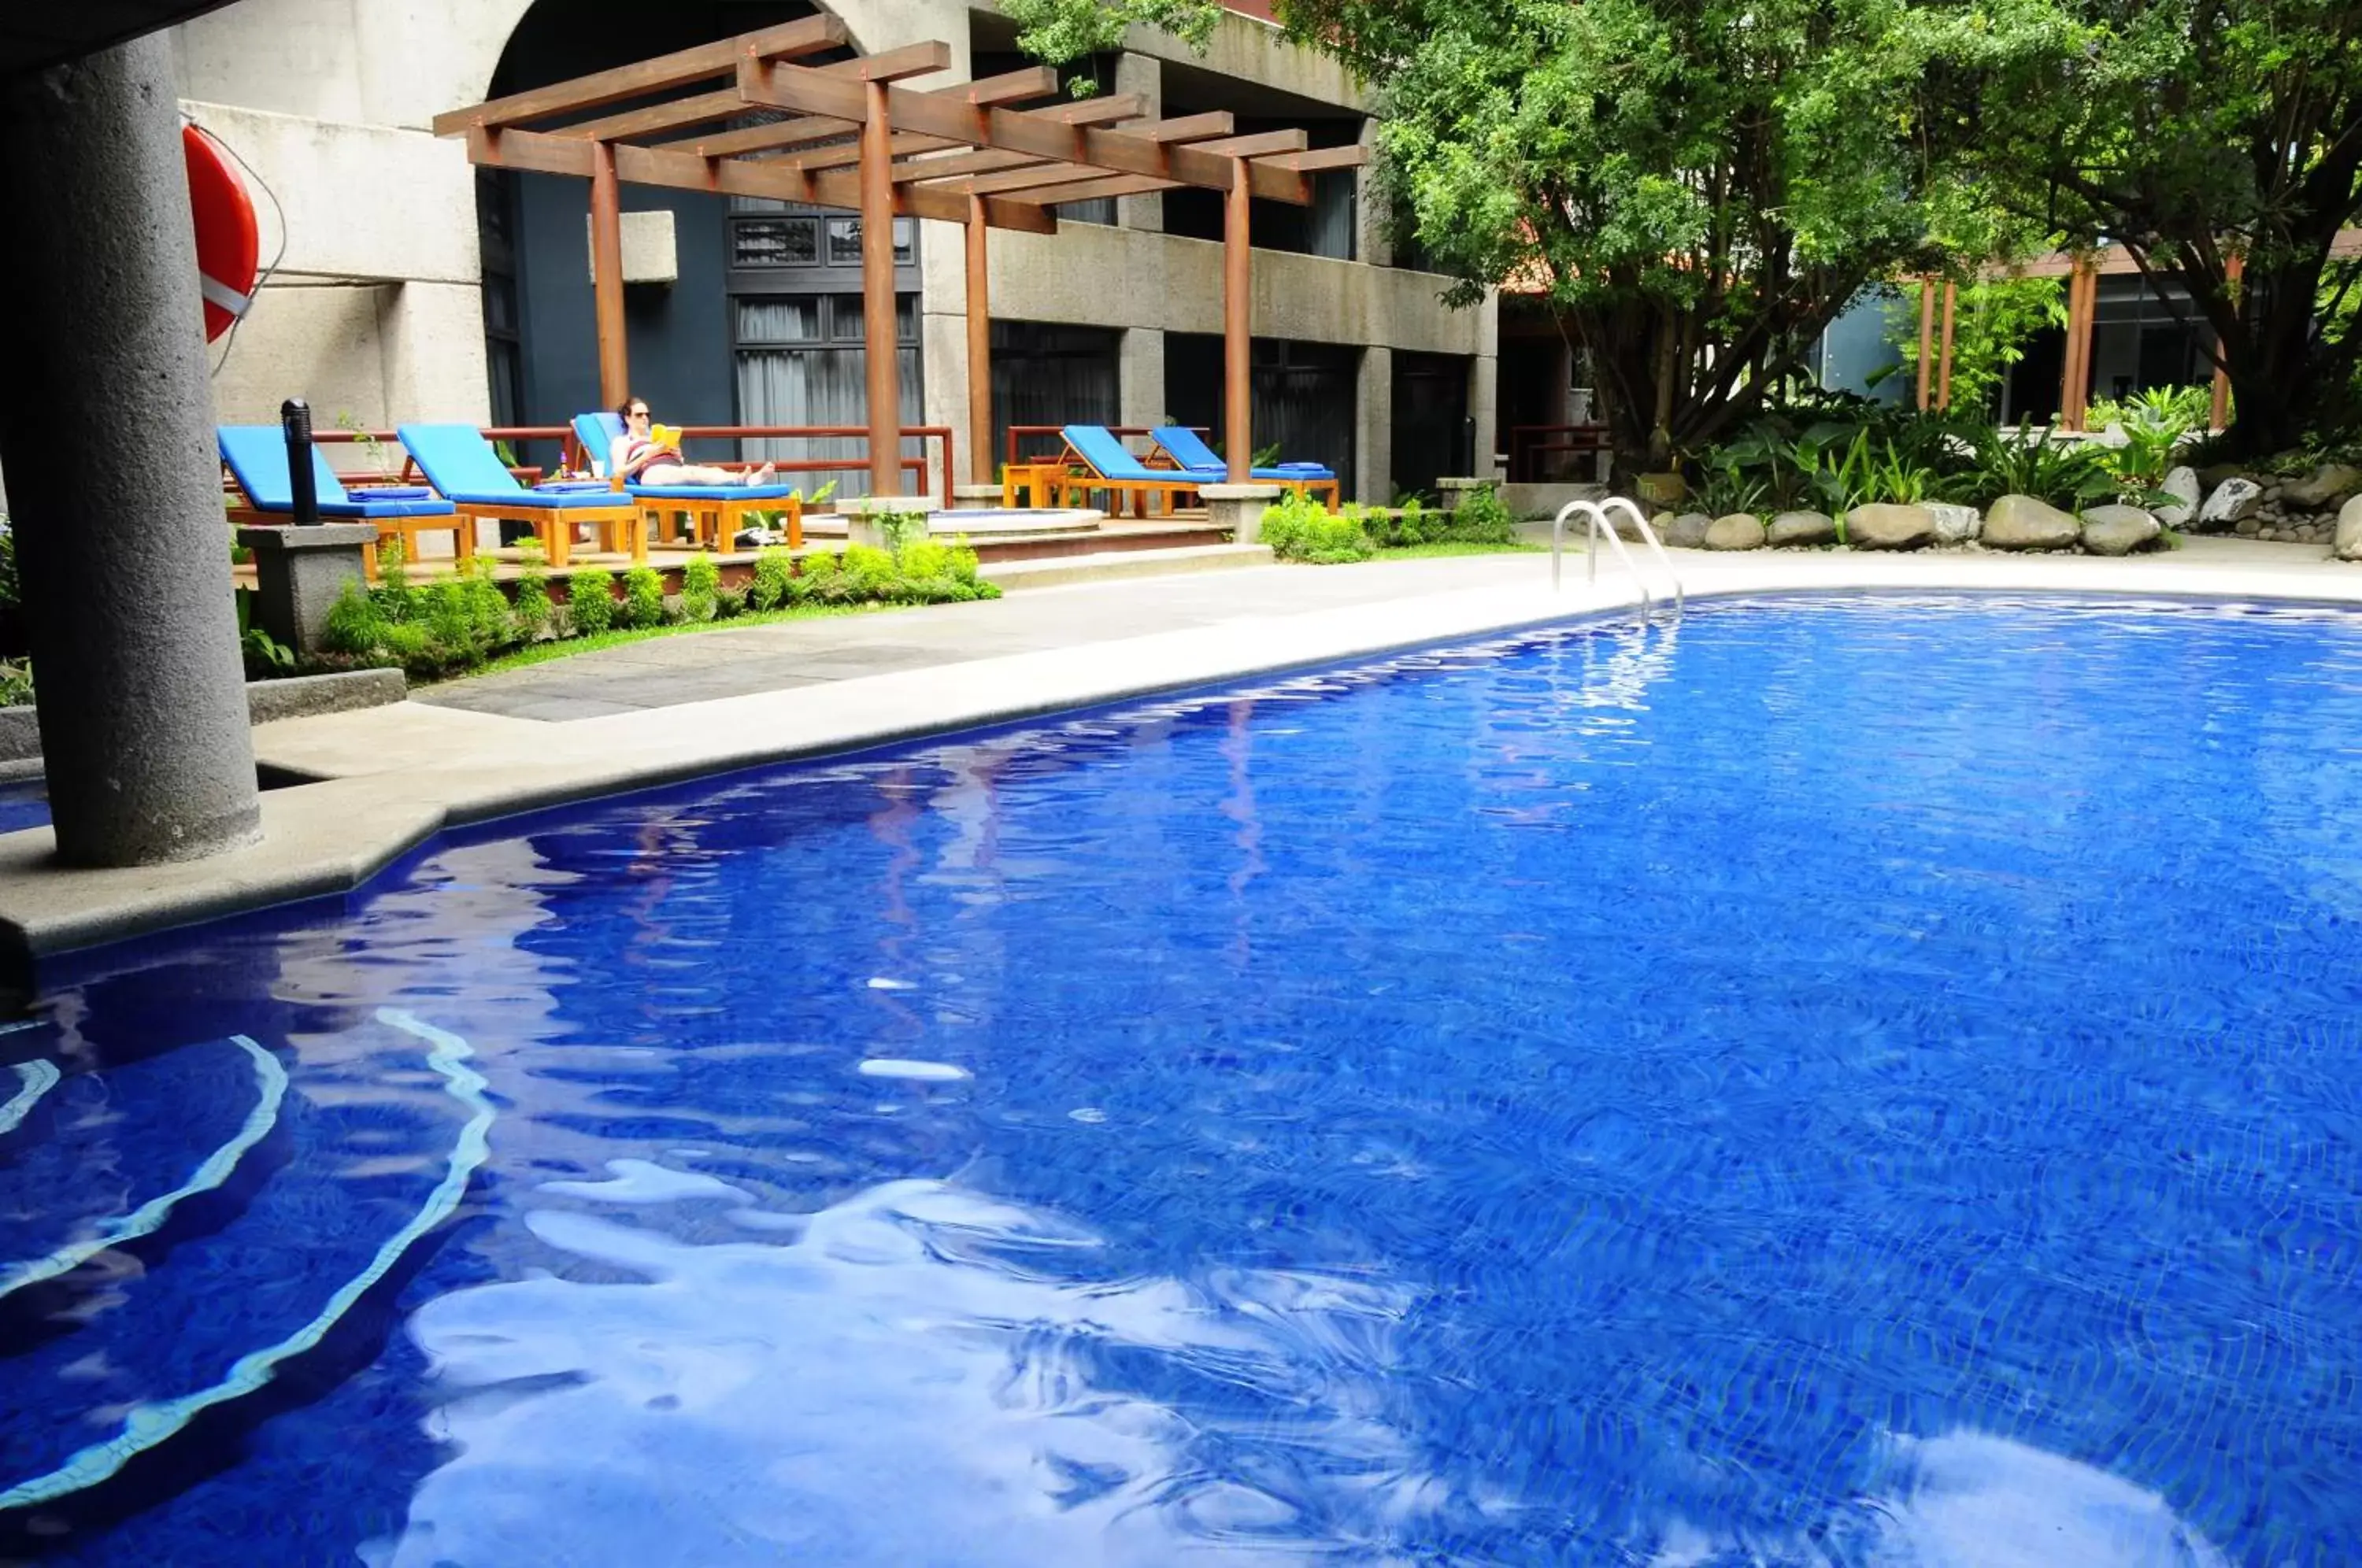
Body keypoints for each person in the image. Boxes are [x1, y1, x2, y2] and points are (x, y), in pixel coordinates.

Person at [609, 398, 777, 487]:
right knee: (692, 474)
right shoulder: (623, 442)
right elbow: (619, 473)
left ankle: (749, 480)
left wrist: (677, 455)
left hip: (673, 468)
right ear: (627, 418)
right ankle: (744, 480)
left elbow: (680, 463)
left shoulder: (655, 436)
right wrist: (647, 454)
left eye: (647, 414)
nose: (645, 418)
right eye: (639, 415)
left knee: (706, 471)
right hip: (651, 473)